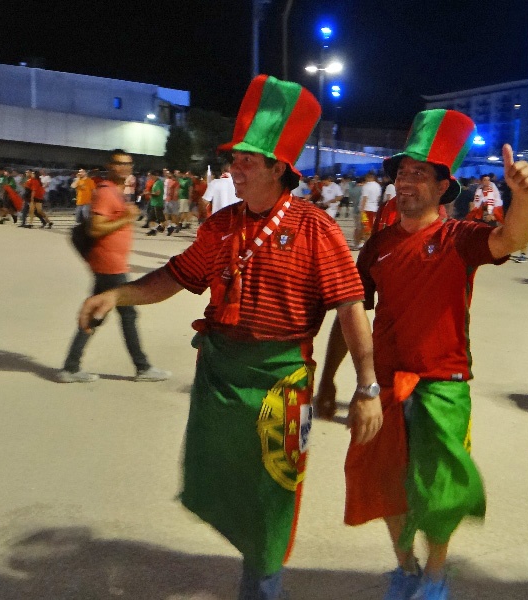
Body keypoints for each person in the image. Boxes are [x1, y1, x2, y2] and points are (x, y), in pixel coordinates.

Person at [75, 75, 382, 600]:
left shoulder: (315, 229)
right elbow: (174, 276)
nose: (232, 167)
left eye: (245, 160)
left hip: (282, 379)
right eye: (233, 158)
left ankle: (263, 588)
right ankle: (255, 577)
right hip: (221, 376)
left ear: (277, 168)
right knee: (223, 484)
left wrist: (367, 387)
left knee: (272, 496)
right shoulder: (221, 226)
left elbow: (350, 310)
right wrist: (116, 296)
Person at [315, 109, 528, 600]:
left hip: (444, 383)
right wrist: (331, 379)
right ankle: (406, 566)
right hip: (385, 386)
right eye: (402, 172)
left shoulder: (459, 239)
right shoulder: (376, 247)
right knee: (385, 483)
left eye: (421, 173)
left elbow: (513, 239)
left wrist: (522, 198)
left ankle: (436, 577)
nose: (407, 181)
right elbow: (351, 315)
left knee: (440, 491)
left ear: (444, 188)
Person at [59, 149, 169, 384]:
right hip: (109, 265)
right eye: (119, 164)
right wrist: (126, 218)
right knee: (124, 314)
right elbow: (95, 229)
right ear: (110, 166)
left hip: (111, 263)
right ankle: (142, 367)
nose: (124, 168)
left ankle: (71, 366)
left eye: (128, 164)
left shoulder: (117, 193)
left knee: (100, 312)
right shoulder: (106, 193)